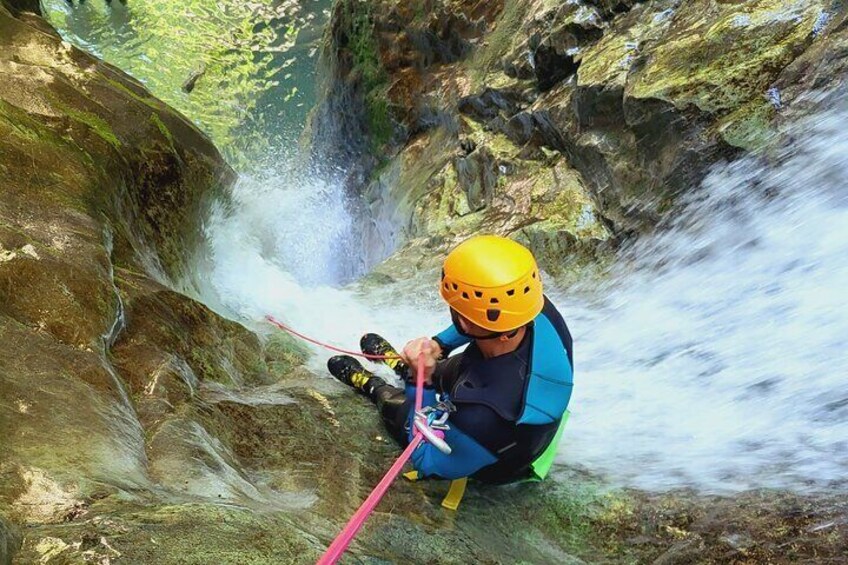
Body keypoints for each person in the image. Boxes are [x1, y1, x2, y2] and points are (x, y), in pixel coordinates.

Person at [328, 235, 573, 484]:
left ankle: (374, 386)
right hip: (491, 382)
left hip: (489, 454)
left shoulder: (484, 418)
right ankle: (406, 369)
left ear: (464, 320)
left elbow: (426, 458)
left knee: (399, 409)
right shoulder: (526, 304)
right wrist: (439, 345)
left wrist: (420, 380)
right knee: (444, 373)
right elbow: (481, 321)